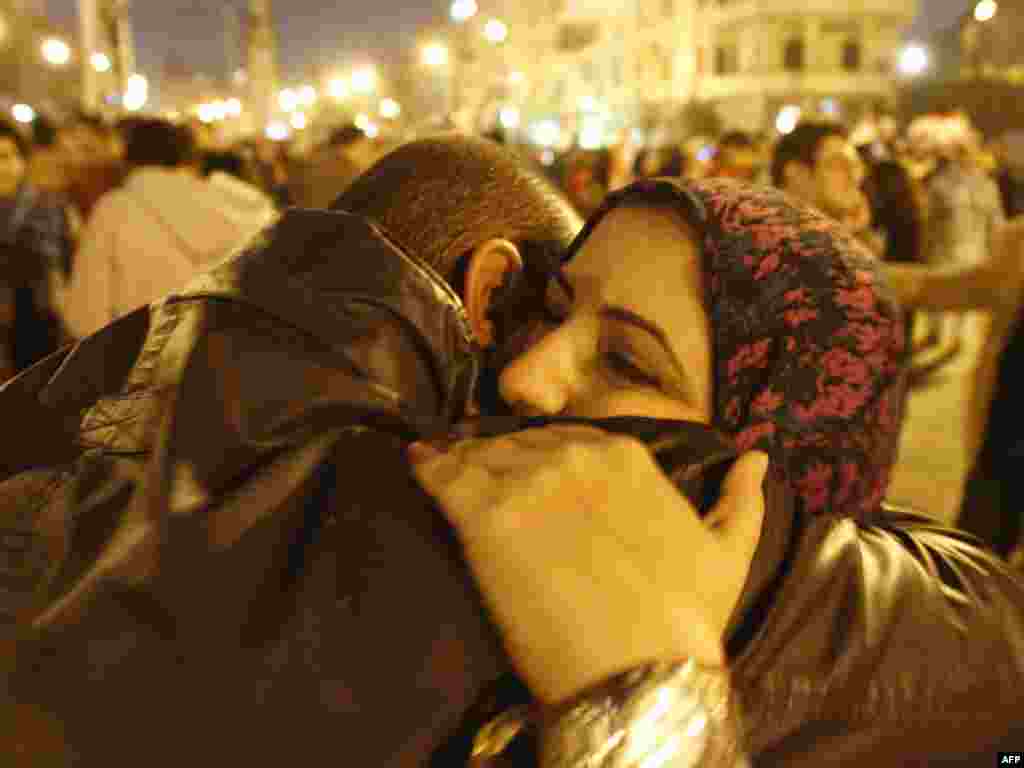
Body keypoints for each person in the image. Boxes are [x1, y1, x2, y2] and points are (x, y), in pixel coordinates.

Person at [412, 178, 1024, 763]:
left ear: (784, 435)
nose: (523, 375)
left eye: (627, 363)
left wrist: (648, 712)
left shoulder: (936, 689)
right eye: (552, 308)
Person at [59, 118, 277, 340]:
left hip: (141, 360)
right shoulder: (236, 208)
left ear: (128, 160)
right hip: (223, 357)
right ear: (187, 158)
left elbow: (84, 315)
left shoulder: (114, 209)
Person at [886, 216, 1024, 560]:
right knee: (979, 561)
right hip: (1001, 461)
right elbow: (946, 288)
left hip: (1000, 464)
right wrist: (856, 269)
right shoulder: (1019, 247)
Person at [0, 120, 71, 383]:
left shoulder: (49, 208)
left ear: (21, 160)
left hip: (36, 332)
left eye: (5, 157)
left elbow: (65, 268)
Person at [770, 121, 880, 253]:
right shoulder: (769, 244)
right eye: (839, 165)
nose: (854, 177)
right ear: (796, 174)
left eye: (856, 166)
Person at [291, 122, 380, 209]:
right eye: (365, 148)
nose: (369, 153)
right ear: (353, 145)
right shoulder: (344, 170)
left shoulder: (314, 160)